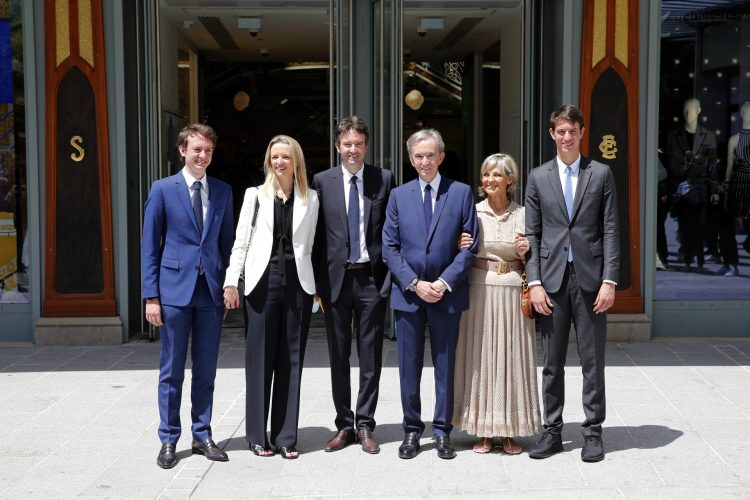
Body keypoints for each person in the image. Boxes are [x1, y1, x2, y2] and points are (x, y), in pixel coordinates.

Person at [525, 105, 620, 463]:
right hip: (550, 281)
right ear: (552, 134)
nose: (567, 137)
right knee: (551, 362)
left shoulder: (601, 174)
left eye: (573, 131)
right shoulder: (538, 177)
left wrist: (610, 279)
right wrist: (533, 281)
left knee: (592, 360)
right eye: (561, 131)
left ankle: (593, 431)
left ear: (582, 133)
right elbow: (532, 233)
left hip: (592, 280)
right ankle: (552, 430)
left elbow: (611, 229)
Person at [141, 123, 234, 469]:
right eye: (197, 149)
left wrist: (228, 286)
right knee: (172, 370)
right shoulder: (163, 189)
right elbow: (150, 245)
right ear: (182, 150)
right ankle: (168, 439)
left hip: (210, 292)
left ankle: (202, 434)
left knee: (206, 369)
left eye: (208, 150)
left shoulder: (223, 191)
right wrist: (151, 296)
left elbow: (227, 245)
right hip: (173, 293)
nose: (203, 156)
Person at [382, 128, 479, 460]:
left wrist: (444, 282)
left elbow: (471, 246)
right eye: (418, 156)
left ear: (441, 156)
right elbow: (389, 249)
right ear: (411, 160)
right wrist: (415, 283)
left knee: (445, 364)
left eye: (430, 155)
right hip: (409, 295)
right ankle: (411, 430)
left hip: (446, 294)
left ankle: (442, 431)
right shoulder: (398, 196)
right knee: (409, 367)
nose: (425, 161)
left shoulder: (461, 193)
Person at [223, 135, 319, 460]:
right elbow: (241, 241)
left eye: (286, 157)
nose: (279, 162)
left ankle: (286, 437)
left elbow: (313, 247)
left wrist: (318, 289)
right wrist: (231, 281)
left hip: (297, 283)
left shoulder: (311, 199)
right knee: (260, 360)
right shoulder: (254, 196)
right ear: (269, 161)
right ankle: (256, 435)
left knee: (291, 360)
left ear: (296, 162)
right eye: (274, 157)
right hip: (261, 282)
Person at [312, 116, 396, 454]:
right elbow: (315, 236)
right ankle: (344, 424)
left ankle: (365, 424)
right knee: (338, 354)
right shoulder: (321, 181)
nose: (353, 149)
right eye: (347, 144)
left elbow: (392, 231)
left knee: (370, 354)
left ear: (366, 145)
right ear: (338, 146)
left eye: (358, 143)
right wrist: (317, 284)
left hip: (370, 280)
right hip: (335, 282)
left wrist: (389, 279)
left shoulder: (383, 180)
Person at [453, 153, 541, 455]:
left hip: (514, 291)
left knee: (511, 356)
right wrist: (459, 244)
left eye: (497, 175)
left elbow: (539, 255)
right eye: (486, 174)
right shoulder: (472, 213)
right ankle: (484, 430)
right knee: (481, 356)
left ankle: (510, 431)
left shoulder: (524, 214)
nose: (490, 180)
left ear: (510, 180)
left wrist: (528, 249)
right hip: (479, 290)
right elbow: (455, 248)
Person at [725, 101, 750, 263]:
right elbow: (729, 165)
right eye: (745, 111)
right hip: (739, 182)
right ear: (740, 114)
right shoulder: (734, 140)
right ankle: (731, 259)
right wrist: (727, 185)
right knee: (733, 221)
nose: (748, 114)